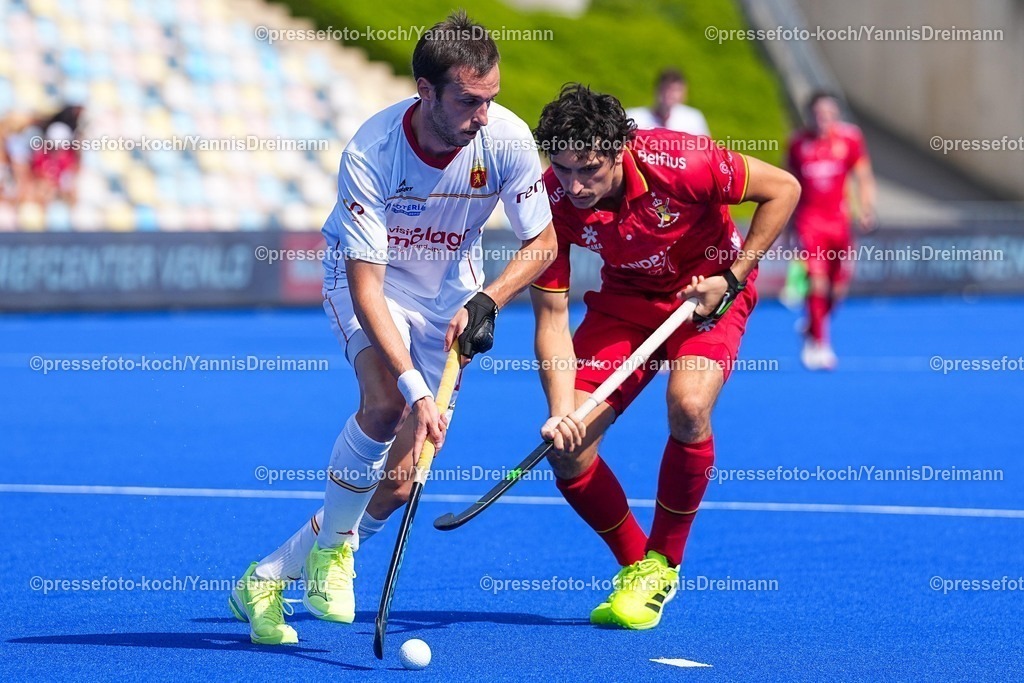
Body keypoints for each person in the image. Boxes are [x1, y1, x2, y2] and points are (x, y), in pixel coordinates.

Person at [229, 11, 556, 645]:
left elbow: (541, 242)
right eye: (468, 100)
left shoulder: (508, 140)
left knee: (402, 482)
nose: (483, 115)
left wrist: (489, 297)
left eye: (491, 98)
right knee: (383, 405)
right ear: (424, 90)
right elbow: (367, 287)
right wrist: (413, 387)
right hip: (369, 283)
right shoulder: (371, 152)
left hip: (450, 298)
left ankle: (268, 577)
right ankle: (334, 557)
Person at [530, 84, 800, 629]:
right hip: (625, 305)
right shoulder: (550, 200)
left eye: (588, 170)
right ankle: (643, 568)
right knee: (569, 451)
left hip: (709, 296)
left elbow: (784, 189)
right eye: (562, 169)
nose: (575, 185)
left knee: (689, 405)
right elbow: (552, 318)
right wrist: (562, 410)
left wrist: (733, 275)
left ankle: (666, 558)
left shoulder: (681, 161)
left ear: (618, 151)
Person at [786, 92, 876, 370]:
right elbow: (788, 185)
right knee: (817, 280)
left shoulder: (850, 139)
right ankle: (820, 344)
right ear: (809, 115)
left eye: (828, 113)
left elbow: (863, 176)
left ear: (836, 114)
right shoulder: (798, 144)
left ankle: (814, 323)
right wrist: (787, 223)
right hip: (810, 222)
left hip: (840, 222)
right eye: (817, 113)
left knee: (837, 290)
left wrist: (866, 208)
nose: (823, 118)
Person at [625, 68, 710, 136]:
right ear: (656, 89)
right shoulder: (634, 117)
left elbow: (706, 150)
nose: (670, 94)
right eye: (666, 88)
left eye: (676, 90)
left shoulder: (693, 119)